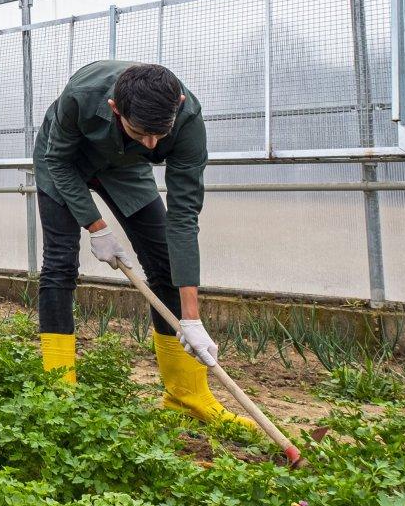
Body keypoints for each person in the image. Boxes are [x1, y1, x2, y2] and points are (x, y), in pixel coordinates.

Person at [33, 60, 254, 428]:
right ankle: (59, 391)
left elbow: (183, 217)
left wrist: (191, 317)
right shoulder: (82, 94)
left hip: (124, 168)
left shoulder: (187, 120)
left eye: (159, 134)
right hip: (64, 162)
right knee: (59, 263)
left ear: (178, 102)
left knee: (164, 263)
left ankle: (187, 396)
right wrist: (96, 225)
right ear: (115, 109)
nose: (153, 145)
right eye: (141, 132)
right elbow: (58, 160)